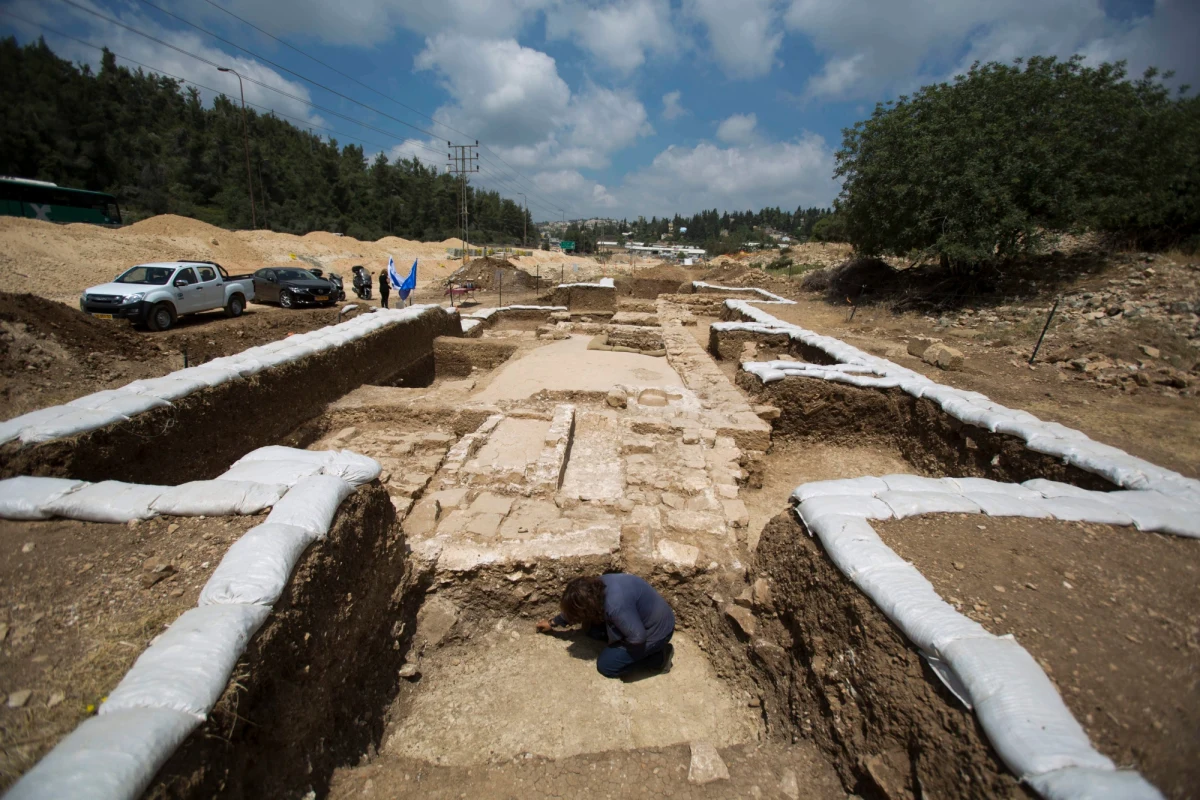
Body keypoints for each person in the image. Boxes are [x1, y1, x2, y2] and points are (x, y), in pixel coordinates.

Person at [536, 573, 675, 678]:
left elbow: (638, 638)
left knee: (607, 666)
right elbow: (577, 605)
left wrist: (616, 642)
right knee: (590, 629)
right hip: (639, 618)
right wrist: (553, 622)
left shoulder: (615, 607)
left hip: (656, 632)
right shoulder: (597, 586)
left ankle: (659, 658)